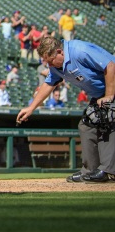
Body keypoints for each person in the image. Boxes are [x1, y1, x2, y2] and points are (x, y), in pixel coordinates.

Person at [17, 36, 115, 183]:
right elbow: (49, 83)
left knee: (107, 120)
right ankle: (91, 171)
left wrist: (109, 96)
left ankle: (108, 172)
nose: (49, 65)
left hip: (110, 90)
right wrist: (31, 108)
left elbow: (110, 65)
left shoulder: (80, 50)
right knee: (86, 125)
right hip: (99, 94)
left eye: (50, 61)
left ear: (59, 52)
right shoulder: (57, 65)